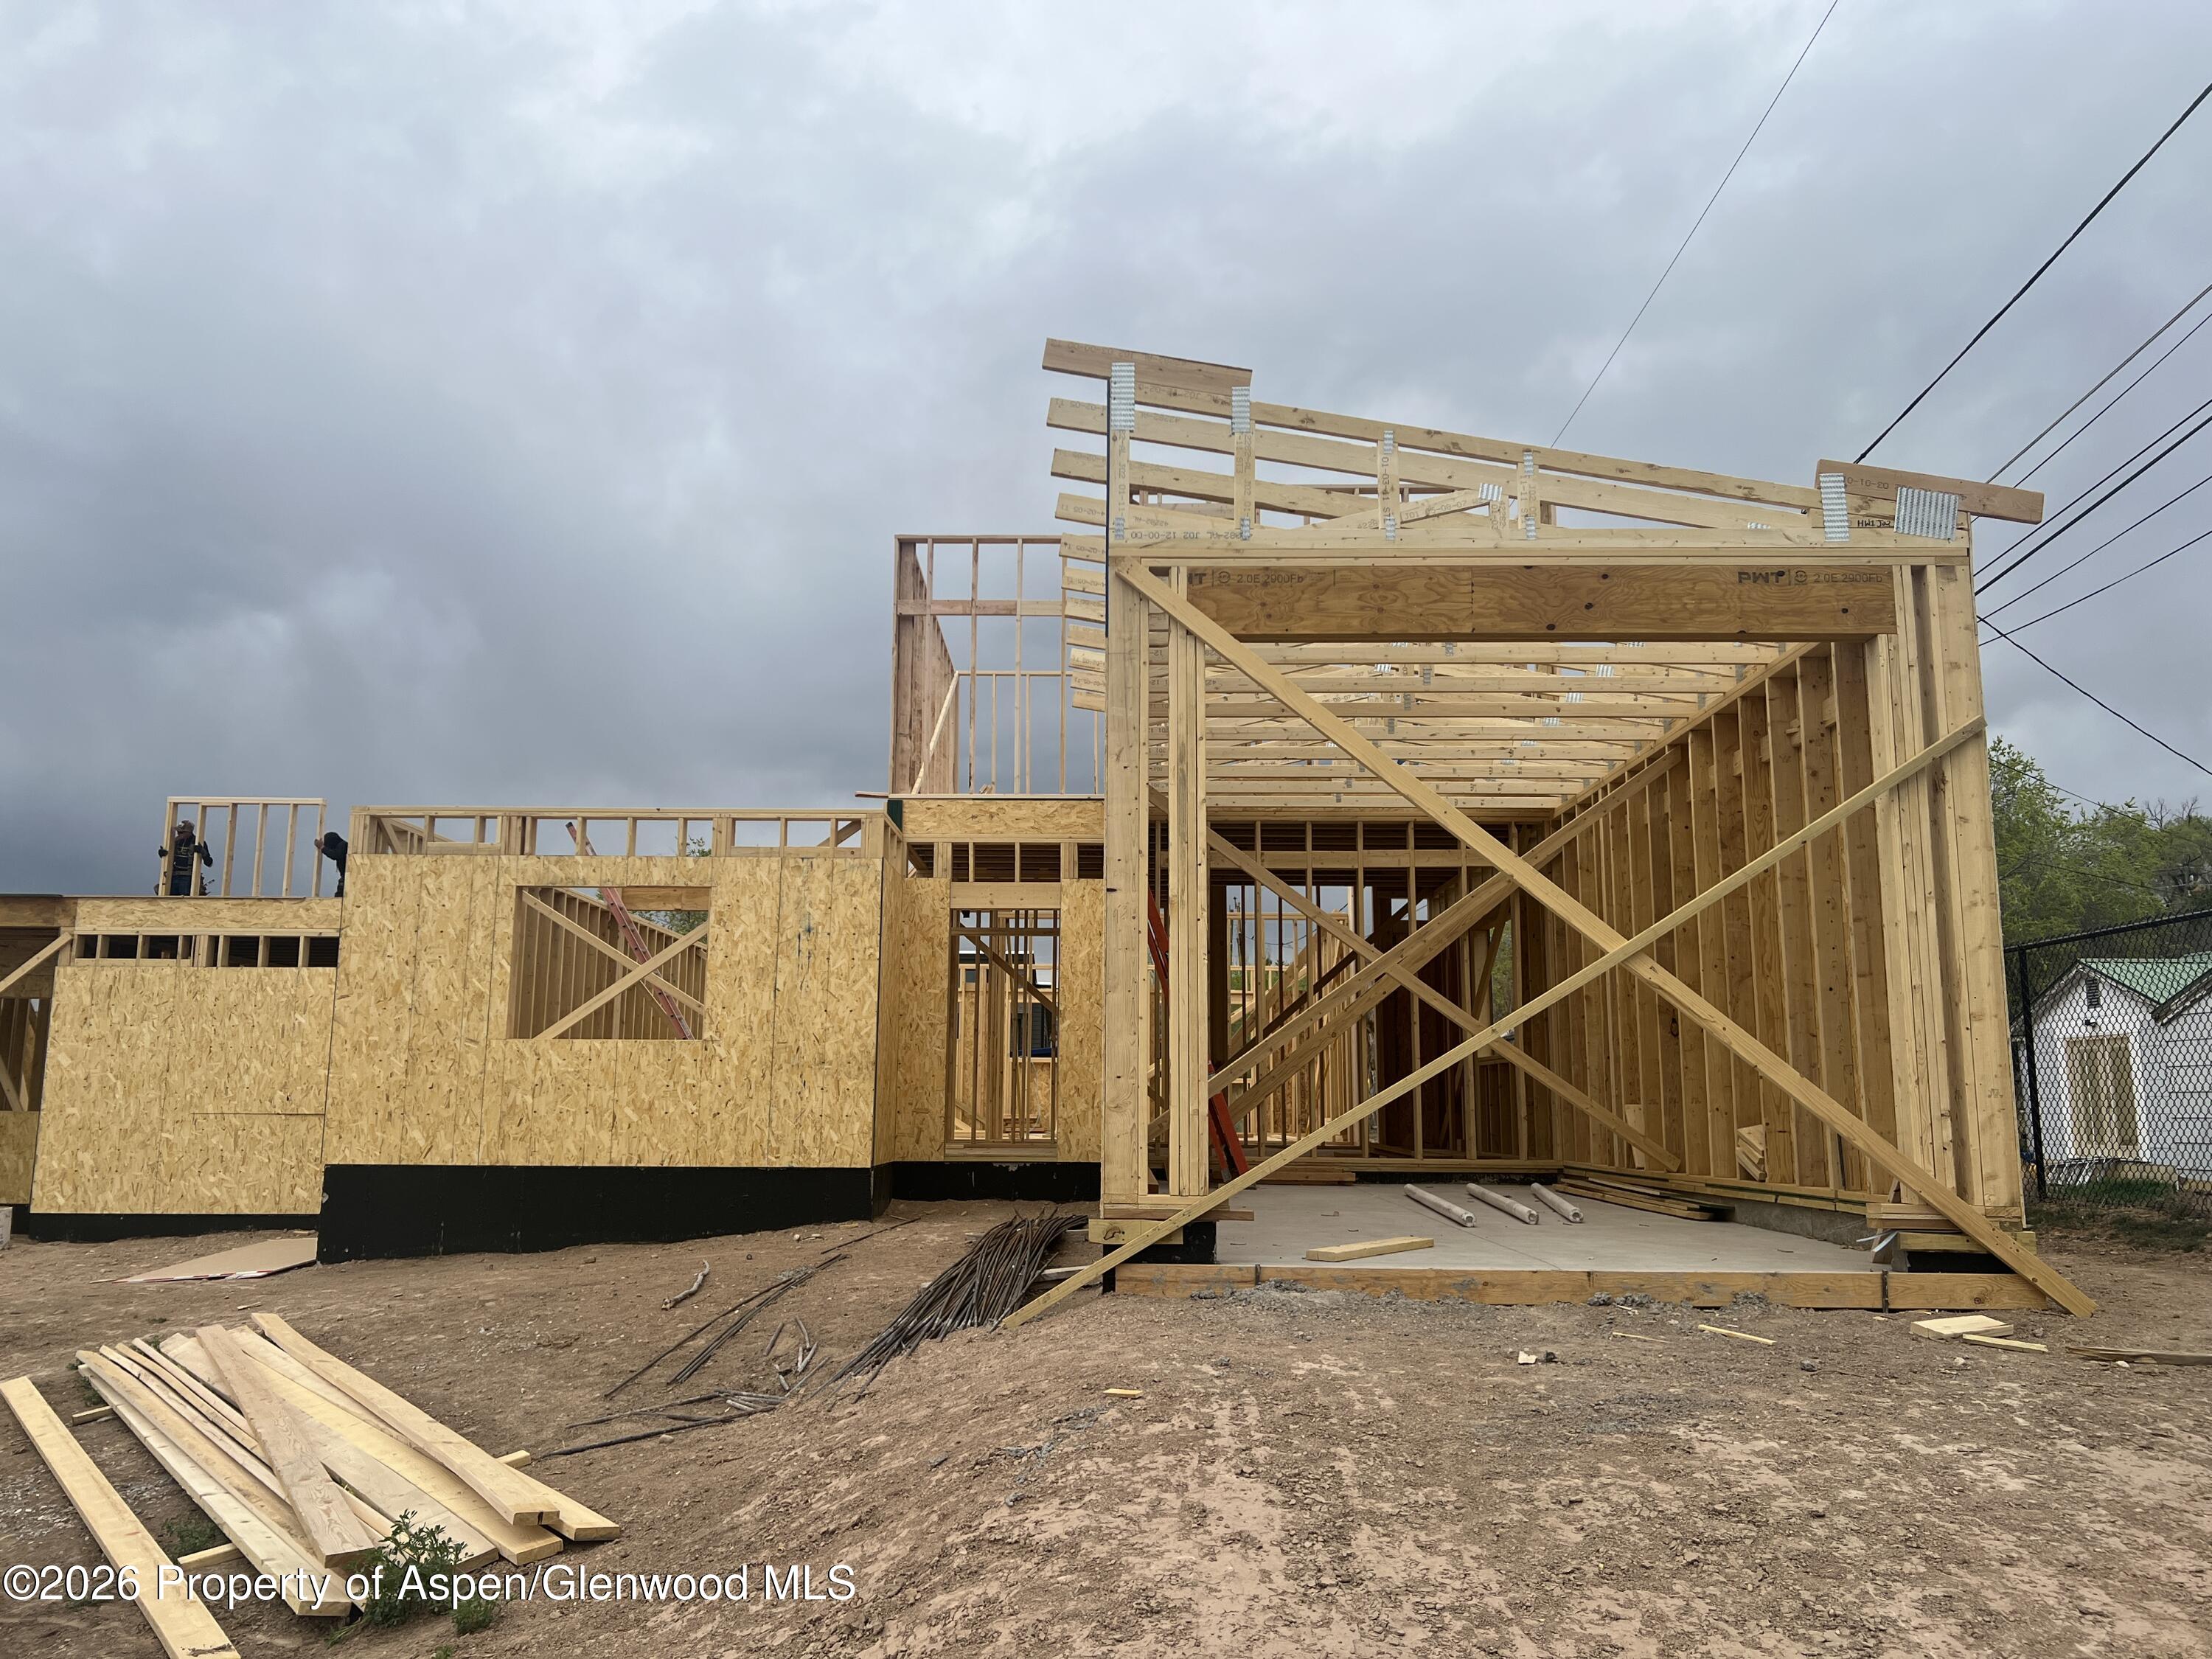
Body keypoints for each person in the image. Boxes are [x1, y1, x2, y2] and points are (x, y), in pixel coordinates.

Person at [159, 820, 215, 896]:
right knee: (171, 901)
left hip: (188, 877)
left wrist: (202, 851)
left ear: (189, 832)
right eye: (178, 832)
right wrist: (163, 854)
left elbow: (209, 863)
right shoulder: (175, 842)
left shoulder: (197, 842)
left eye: (181, 832)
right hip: (174, 876)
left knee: (185, 901)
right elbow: (169, 859)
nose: (178, 834)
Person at [315, 830, 349, 898]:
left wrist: (322, 848)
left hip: (348, 878)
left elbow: (335, 855)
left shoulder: (342, 845)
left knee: (339, 898)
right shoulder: (341, 845)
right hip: (346, 878)